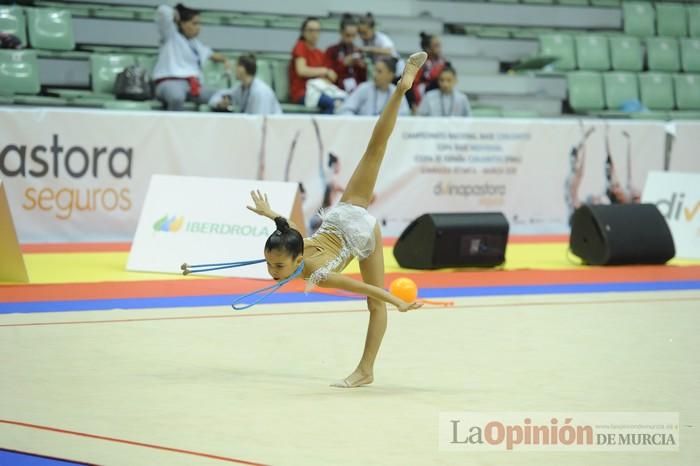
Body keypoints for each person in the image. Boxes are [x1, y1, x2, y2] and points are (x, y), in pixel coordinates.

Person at [246, 51, 429, 388]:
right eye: (270, 265)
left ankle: (365, 370)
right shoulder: (294, 241)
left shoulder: (315, 272)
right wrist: (271, 214)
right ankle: (400, 90)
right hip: (346, 213)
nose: (273, 273)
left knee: (375, 303)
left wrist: (396, 301)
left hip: (358, 230)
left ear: (298, 260)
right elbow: (286, 227)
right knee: (376, 147)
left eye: (278, 268)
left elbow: (363, 287)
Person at [153, 3, 230, 111]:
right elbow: (162, 11)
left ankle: (217, 106)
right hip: (169, 82)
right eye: (195, 23)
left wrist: (225, 60)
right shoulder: (170, 36)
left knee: (221, 94)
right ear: (183, 24)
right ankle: (174, 125)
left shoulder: (196, 45)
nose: (198, 28)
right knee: (177, 97)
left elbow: (212, 55)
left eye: (199, 24)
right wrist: (175, 14)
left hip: (192, 86)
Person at [289, 17, 343, 114]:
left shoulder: (320, 53)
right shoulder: (300, 46)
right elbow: (301, 70)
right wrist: (325, 71)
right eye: (311, 30)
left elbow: (330, 78)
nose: (314, 34)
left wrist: (328, 75)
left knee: (342, 100)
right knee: (330, 103)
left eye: (317, 30)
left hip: (319, 90)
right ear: (303, 32)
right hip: (302, 92)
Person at [208, 54, 282, 115]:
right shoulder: (240, 88)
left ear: (242, 69)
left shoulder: (260, 91)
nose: (234, 69)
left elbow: (259, 121)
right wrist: (219, 104)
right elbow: (221, 94)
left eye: (236, 66)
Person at [337, 57, 410, 116]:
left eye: (379, 71)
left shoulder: (396, 92)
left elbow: (404, 115)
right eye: (374, 70)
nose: (374, 74)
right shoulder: (365, 88)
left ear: (390, 74)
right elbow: (345, 110)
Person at [325, 14, 367, 93]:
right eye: (348, 35)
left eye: (353, 36)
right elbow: (329, 76)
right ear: (341, 32)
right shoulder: (331, 51)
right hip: (337, 90)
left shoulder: (358, 51)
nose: (351, 39)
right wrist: (343, 64)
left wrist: (361, 67)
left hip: (356, 91)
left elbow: (363, 79)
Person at [409, 32, 446, 110]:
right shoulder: (419, 64)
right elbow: (412, 85)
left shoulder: (444, 63)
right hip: (420, 99)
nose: (440, 48)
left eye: (439, 45)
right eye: (436, 46)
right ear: (427, 48)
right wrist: (413, 103)